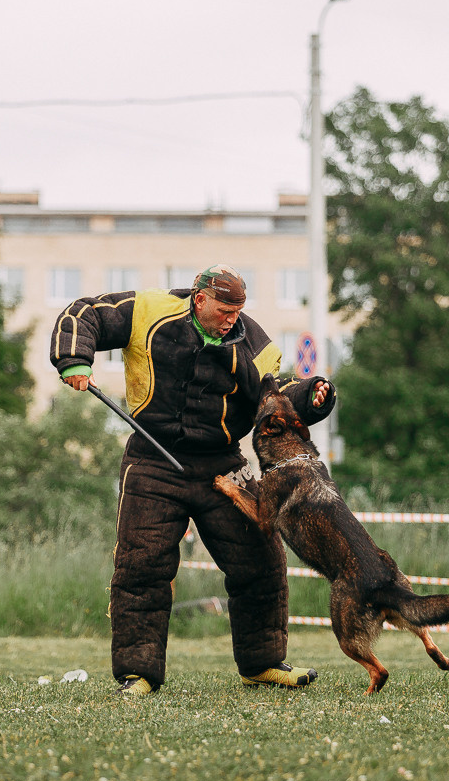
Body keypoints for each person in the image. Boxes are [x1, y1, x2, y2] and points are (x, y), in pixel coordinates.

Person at [51, 264, 336, 695]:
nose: (231, 319)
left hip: (222, 463)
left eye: (237, 311)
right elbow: (83, 314)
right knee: (141, 565)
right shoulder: (147, 310)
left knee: (260, 559)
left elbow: (273, 399)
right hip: (152, 458)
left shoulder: (253, 342)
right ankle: (139, 673)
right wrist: (75, 359)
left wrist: (312, 396)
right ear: (200, 299)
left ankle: (262, 664)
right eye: (224, 309)